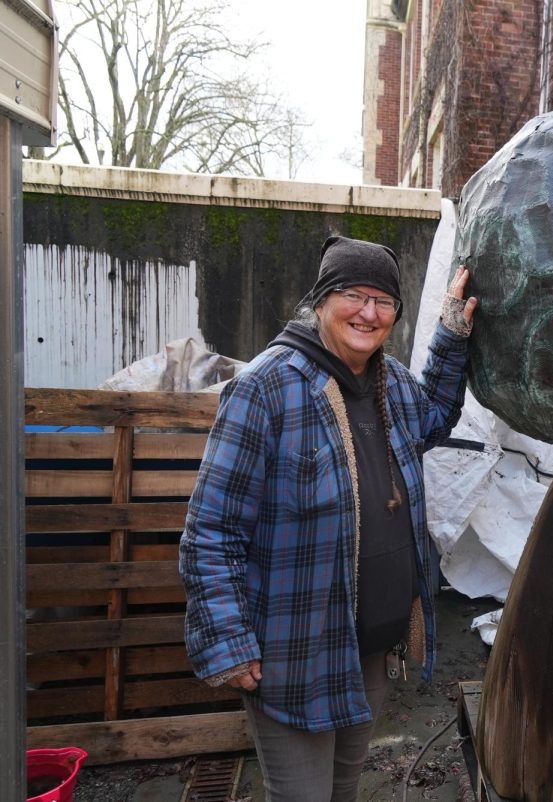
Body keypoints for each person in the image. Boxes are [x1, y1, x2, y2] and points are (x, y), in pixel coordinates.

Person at [180, 235, 477, 802]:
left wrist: (452, 332)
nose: (369, 312)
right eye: (353, 295)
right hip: (294, 651)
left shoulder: (388, 383)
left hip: (369, 644)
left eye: (384, 300)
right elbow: (211, 530)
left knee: (344, 786)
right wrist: (229, 642)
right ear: (320, 300)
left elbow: (435, 416)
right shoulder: (266, 388)